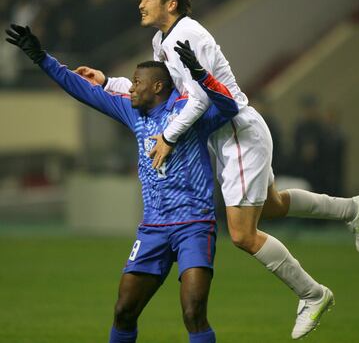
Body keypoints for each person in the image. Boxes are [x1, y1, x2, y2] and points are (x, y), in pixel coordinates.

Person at [74, 0, 359, 340]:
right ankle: (352, 209)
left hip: (237, 133)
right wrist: (108, 82)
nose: (140, 3)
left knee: (242, 234)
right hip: (224, 138)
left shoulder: (189, 34)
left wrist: (170, 137)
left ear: (170, 3)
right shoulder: (163, 40)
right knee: (270, 205)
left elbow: (204, 97)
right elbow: (160, 91)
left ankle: (312, 293)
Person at [6, 24, 240, 343]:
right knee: (124, 311)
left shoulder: (190, 113)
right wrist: (42, 58)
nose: (130, 88)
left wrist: (202, 75)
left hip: (194, 225)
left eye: (137, 83)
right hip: (153, 228)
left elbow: (229, 107)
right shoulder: (134, 114)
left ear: (158, 87)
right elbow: (83, 90)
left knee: (193, 312)